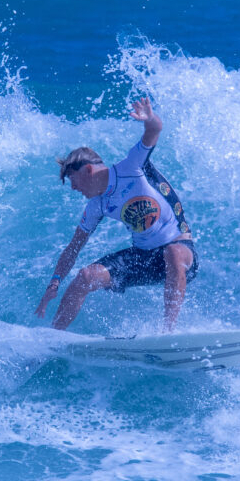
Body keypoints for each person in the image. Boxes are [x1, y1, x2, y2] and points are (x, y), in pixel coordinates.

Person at [34, 98, 197, 332]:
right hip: (143, 260)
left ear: (88, 170)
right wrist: (55, 280)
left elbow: (155, 129)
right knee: (85, 277)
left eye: (73, 179)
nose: (73, 188)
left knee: (173, 252)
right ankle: (52, 338)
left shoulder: (132, 167)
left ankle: (168, 333)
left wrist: (149, 118)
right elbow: (73, 247)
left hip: (181, 251)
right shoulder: (96, 205)